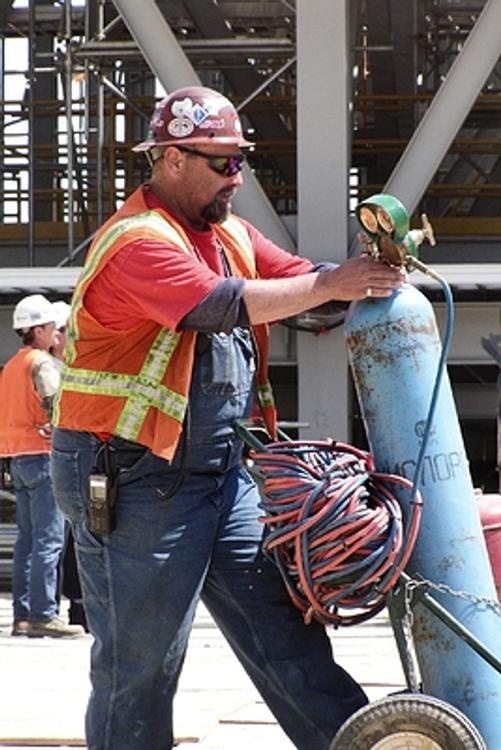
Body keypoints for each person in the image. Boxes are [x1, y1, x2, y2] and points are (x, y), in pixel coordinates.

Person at [50, 86, 405, 750]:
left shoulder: (229, 235)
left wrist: (363, 277)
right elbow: (215, 305)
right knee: (142, 666)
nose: (236, 178)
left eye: (240, 162)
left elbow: (304, 284)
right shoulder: (136, 242)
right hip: (136, 483)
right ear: (172, 158)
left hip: (220, 477)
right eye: (222, 163)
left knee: (286, 637)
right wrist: (331, 284)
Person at [0, 294, 83, 638]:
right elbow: (56, 405)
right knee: (49, 542)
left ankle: (22, 615)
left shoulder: (12, 365)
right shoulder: (42, 364)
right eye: (51, 327)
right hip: (44, 456)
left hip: (18, 458)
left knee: (28, 542)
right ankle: (44, 615)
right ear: (37, 330)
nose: (56, 332)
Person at [50, 300, 88, 631]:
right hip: (62, 459)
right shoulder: (49, 368)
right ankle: (75, 606)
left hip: (77, 456)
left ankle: (79, 607)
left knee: (78, 537)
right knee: (70, 537)